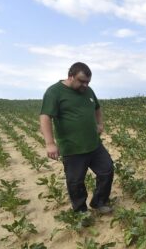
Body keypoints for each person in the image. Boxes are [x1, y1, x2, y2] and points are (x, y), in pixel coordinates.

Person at [39, 62, 114, 214]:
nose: (85, 85)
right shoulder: (54, 92)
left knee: (107, 171)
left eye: (88, 82)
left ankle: (99, 202)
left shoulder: (88, 90)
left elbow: (97, 107)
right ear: (71, 76)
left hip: (94, 144)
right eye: (82, 81)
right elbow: (45, 117)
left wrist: (100, 124)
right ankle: (80, 211)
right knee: (75, 182)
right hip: (72, 147)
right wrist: (50, 143)